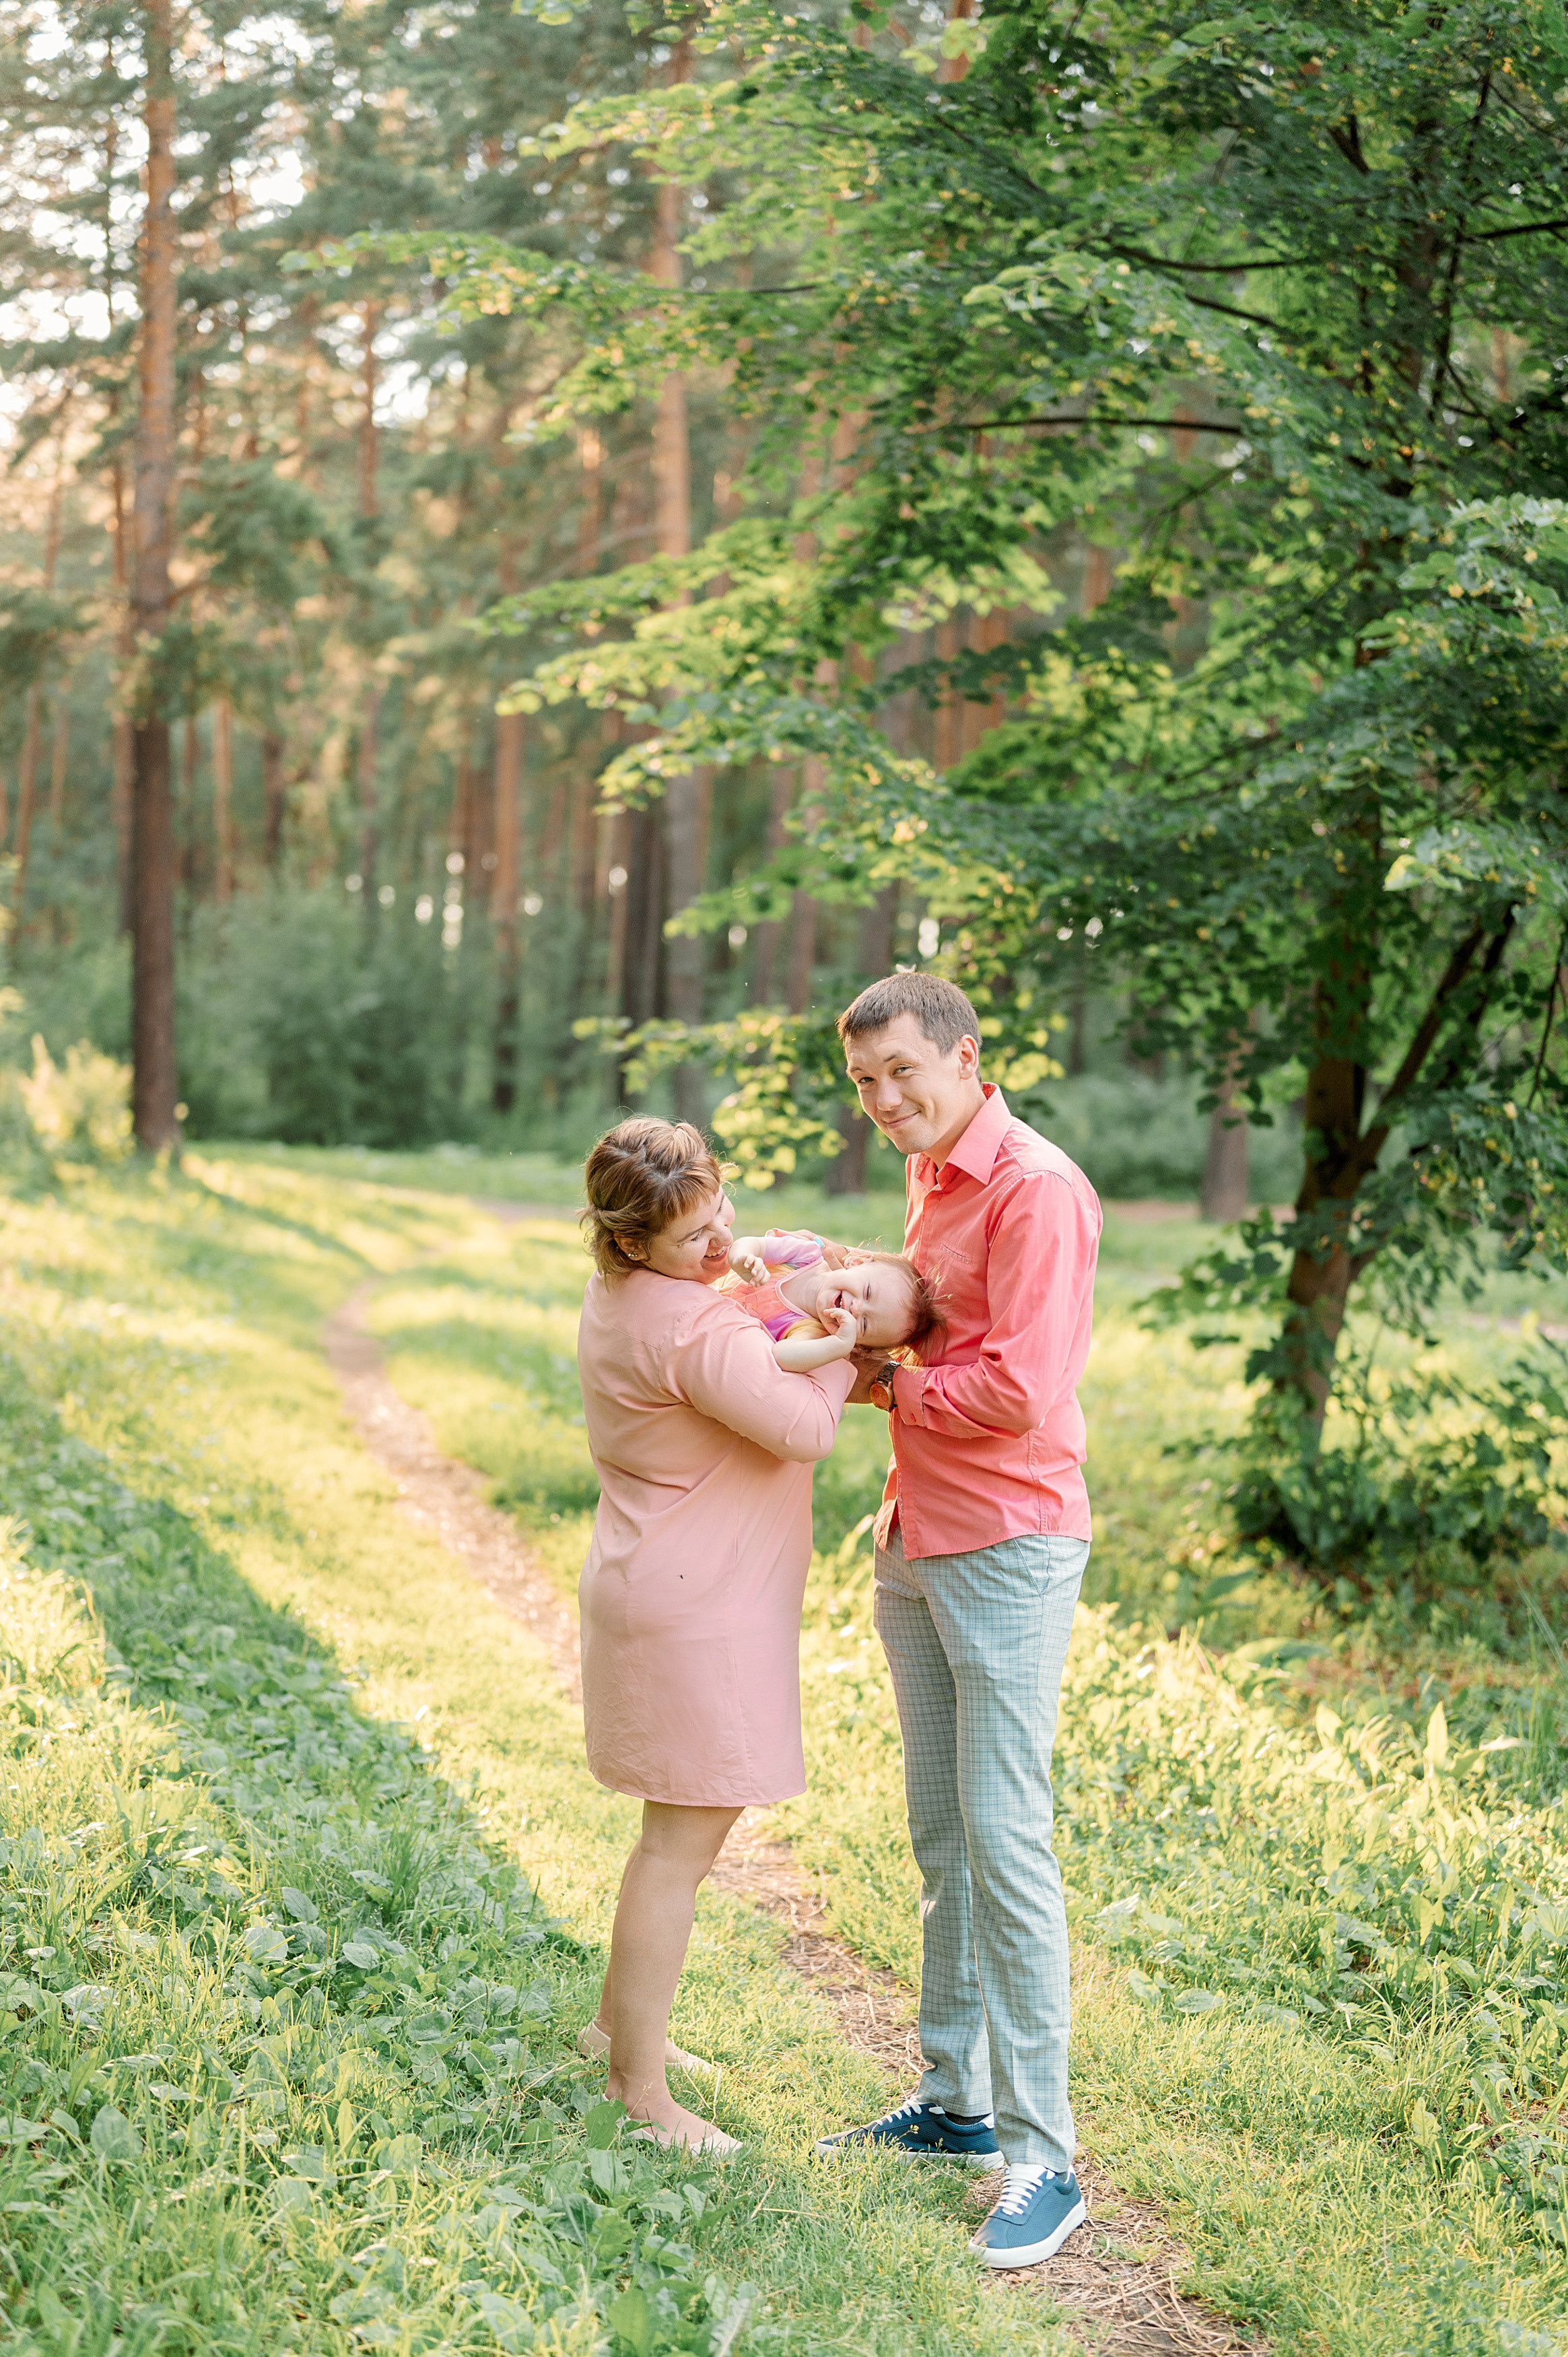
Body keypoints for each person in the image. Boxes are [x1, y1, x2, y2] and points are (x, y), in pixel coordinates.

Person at [813, 972, 1101, 2273]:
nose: (880, 1102)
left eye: (898, 1075)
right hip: (915, 1538)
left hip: (1006, 1547)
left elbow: (1023, 1390)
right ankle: (954, 2105)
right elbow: (937, 1327)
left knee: (1007, 1843)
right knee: (944, 1836)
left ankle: (1047, 2158)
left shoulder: (1036, 1188)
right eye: (862, 1081)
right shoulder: (935, 1173)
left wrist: (877, 1379)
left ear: (966, 1055)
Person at [573, 1116, 858, 2152]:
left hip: (660, 1583)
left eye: (718, 1216)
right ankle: (638, 2093)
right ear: (629, 1240)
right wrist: (842, 1339)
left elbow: (733, 1332)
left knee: (668, 1843)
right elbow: (808, 1428)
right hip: (698, 1609)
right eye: (690, 1236)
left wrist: (754, 1294)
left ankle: (621, 2027)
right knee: (676, 1854)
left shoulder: (629, 1301)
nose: (715, 1244)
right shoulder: (698, 1328)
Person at [720, 1226, 946, 1372]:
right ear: (857, 1263)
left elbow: (782, 1356)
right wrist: (742, 1257)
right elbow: (754, 1244)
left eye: (864, 1325)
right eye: (867, 1292)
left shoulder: (811, 1330)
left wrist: (838, 1345)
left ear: (856, 1343)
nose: (857, 1308)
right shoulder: (805, 1256)